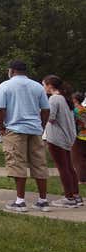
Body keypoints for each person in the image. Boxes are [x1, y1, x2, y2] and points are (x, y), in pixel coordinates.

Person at [0, 60, 50, 213]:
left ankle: (20, 201)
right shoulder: (37, 86)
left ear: (11, 70)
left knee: (17, 164)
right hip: (34, 129)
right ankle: (43, 200)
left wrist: (1, 127)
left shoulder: (5, 86)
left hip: (14, 128)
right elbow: (46, 109)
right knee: (39, 163)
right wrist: (42, 125)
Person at [42, 76, 82, 207]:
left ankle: (68, 198)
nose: (43, 88)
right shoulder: (66, 98)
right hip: (67, 137)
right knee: (69, 167)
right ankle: (75, 195)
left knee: (63, 168)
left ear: (49, 85)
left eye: (44, 85)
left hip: (56, 137)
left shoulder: (54, 99)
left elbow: (51, 118)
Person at [72, 92, 86, 185]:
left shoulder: (75, 110)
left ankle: (81, 179)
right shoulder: (84, 109)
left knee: (78, 158)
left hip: (79, 136)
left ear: (75, 100)